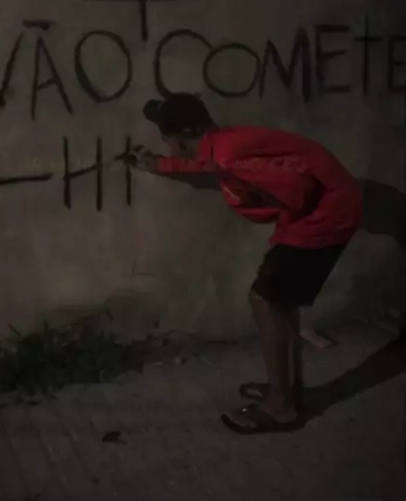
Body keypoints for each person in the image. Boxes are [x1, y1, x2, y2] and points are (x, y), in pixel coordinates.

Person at [130, 93, 363, 435]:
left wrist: (260, 205)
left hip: (325, 215)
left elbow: (299, 191)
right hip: (322, 207)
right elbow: (212, 164)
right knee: (280, 300)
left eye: (165, 136)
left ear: (179, 136)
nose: (165, 143)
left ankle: (281, 408)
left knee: (265, 299)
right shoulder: (223, 143)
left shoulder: (227, 154)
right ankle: (288, 389)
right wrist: (161, 165)